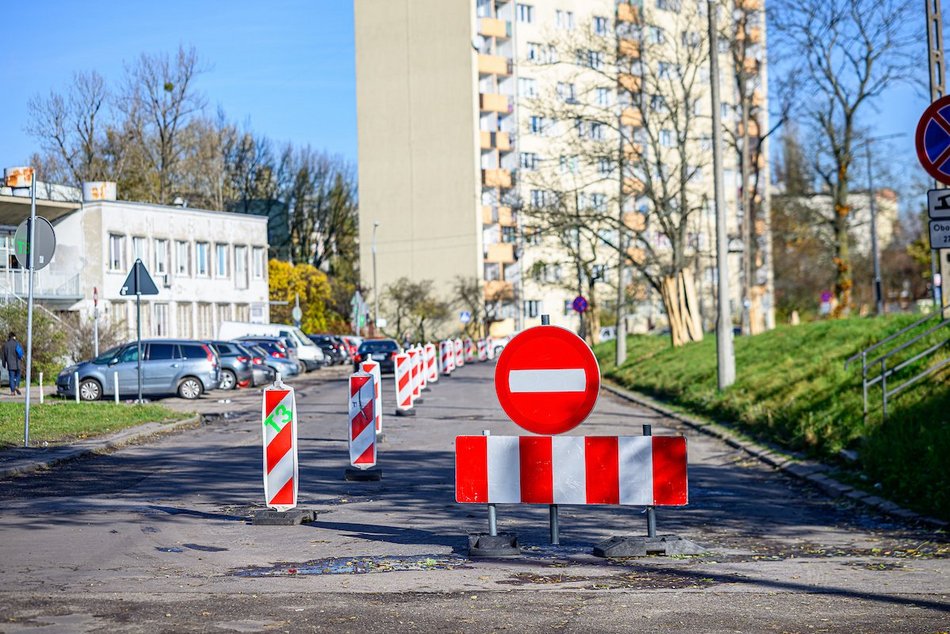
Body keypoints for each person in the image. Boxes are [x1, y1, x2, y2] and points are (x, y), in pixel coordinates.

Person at [2, 331, 24, 396]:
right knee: (18, 375)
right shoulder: (18, 344)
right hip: (18, 364)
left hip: (10, 364)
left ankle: (12, 392)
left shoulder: (6, 345)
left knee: (11, 377)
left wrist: (4, 364)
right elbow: (21, 353)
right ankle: (16, 385)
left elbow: (4, 355)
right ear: (14, 337)